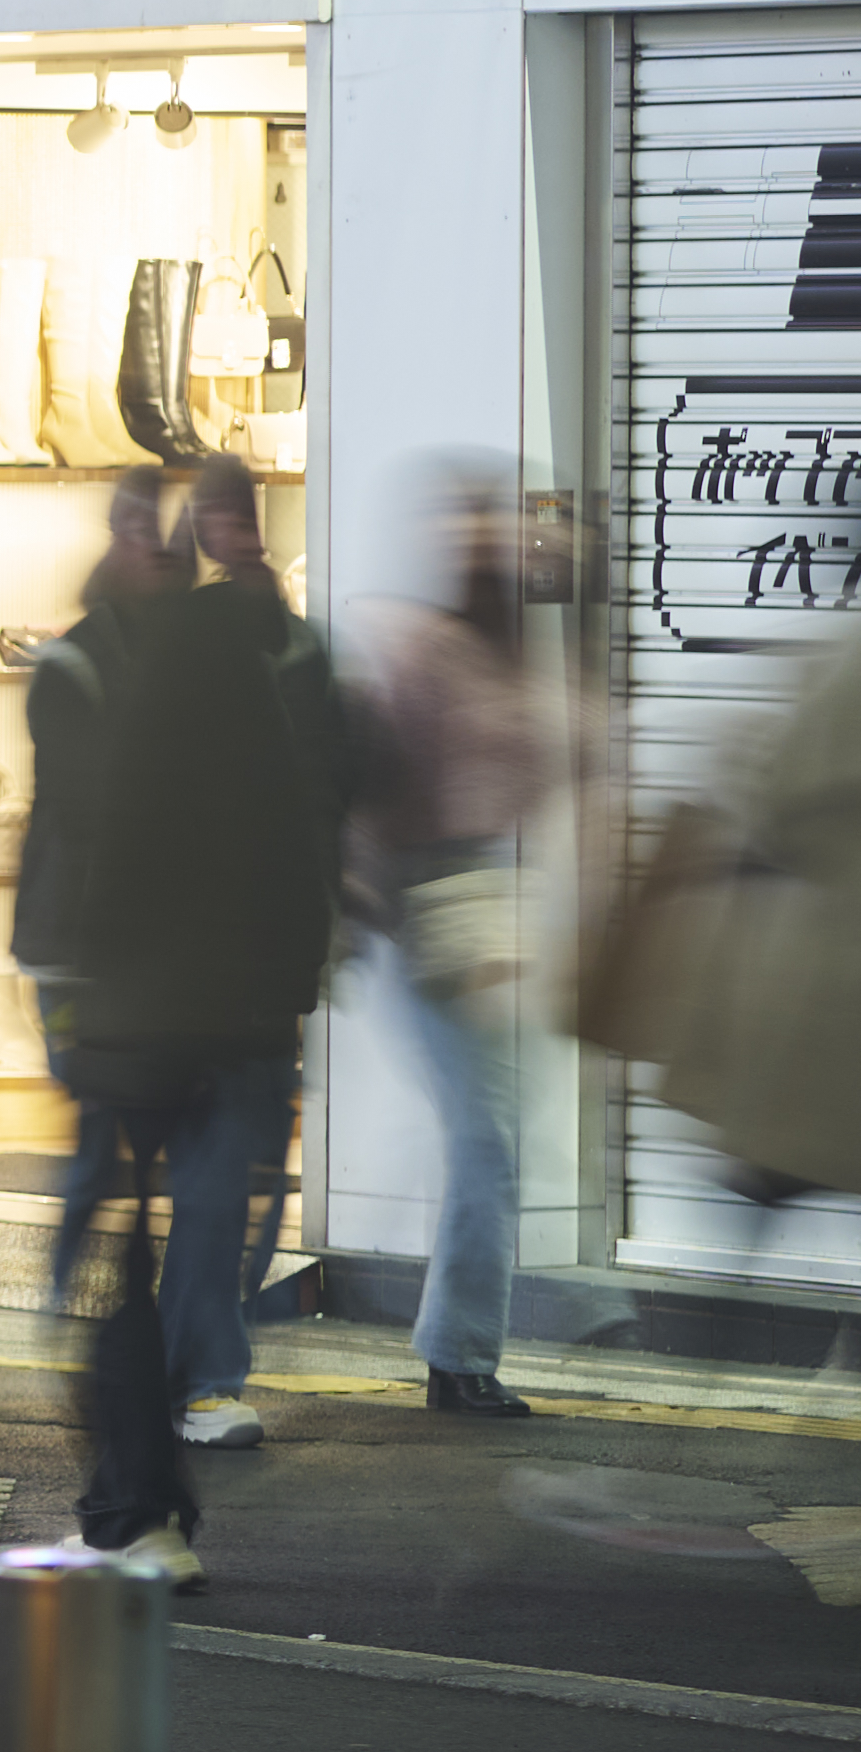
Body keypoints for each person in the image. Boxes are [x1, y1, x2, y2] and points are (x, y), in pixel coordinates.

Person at [14, 445, 348, 1556]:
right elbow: (289, 833)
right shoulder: (109, 670)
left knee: (156, 1222)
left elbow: (311, 789)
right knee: (141, 1213)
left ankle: (149, 1468)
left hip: (161, 1012)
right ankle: (153, 1430)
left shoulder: (198, 665)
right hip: (170, 1006)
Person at [345, 466, 562, 1417]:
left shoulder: (505, 655)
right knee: (491, 1138)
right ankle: (460, 1356)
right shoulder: (427, 650)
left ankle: (459, 1347)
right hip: (436, 907)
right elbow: (380, 787)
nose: (506, 545)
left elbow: (556, 761)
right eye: (482, 530)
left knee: (495, 1135)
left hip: (490, 906)